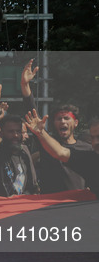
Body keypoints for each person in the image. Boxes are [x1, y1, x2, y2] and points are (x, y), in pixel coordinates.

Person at [21, 59, 92, 193]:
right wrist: (25, 85)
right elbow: (31, 111)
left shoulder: (87, 149)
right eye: (59, 119)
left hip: (78, 207)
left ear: (75, 123)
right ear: (53, 123)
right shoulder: (46, 142)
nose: (63, 122)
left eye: (67, 118)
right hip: (50, 208)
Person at [24, 109, 99, 197]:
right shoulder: (90, 158)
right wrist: (41, 132)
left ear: (76, 123)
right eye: (92, 138)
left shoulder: (86, 148)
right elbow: (60, 153)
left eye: (98, 137)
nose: (95, 142)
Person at [0, 80, 39, 197]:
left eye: (18, 131)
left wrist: (25, 86)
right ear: (2, 133)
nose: (15, 135)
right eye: (10, 132)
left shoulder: (25, 151)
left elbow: (32, 186)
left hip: (24, 209)